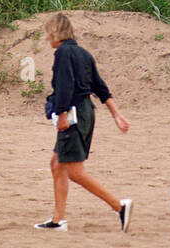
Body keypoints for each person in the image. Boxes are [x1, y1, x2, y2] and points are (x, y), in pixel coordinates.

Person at [34, 12, 132, 232]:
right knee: (57, 165)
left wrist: (60, 115)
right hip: (86, 111)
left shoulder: (63, 54)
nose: (47, 38)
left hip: (73, 113)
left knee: (74, 171)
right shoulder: (83, 53)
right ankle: (58, 221)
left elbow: (65, 87)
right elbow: (100, 86)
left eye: (48, 33)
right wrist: (116, 114)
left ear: (56, 32)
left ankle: (119, 206)